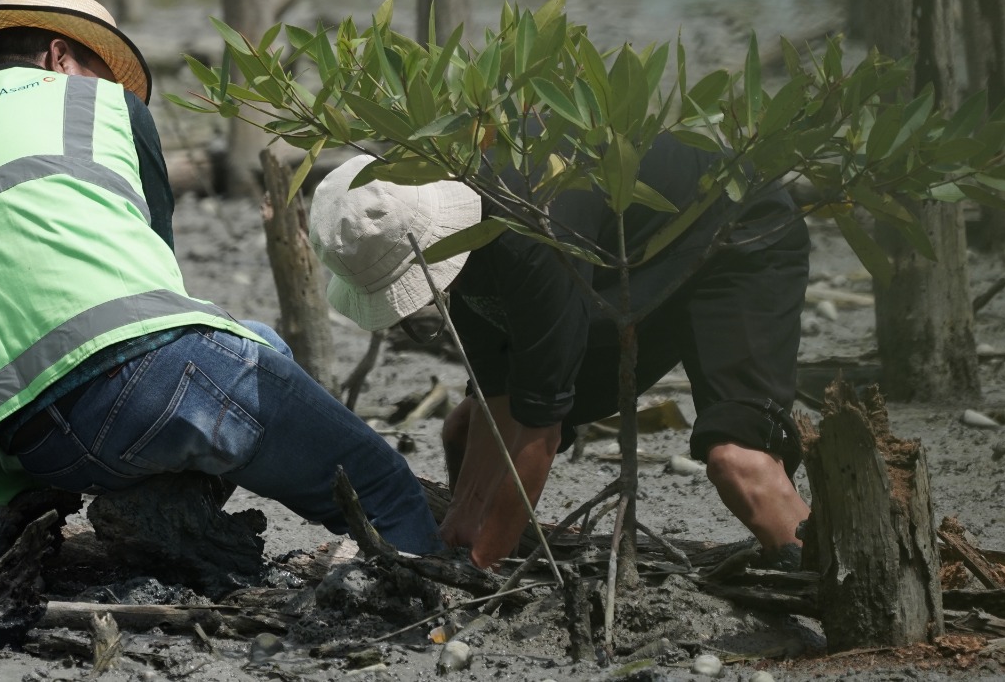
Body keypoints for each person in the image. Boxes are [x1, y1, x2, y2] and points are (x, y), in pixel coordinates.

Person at [0, 0, 442, 558]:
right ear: (59, 56)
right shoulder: (107, 106)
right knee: (385, 490)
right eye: (101, 71)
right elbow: (158, 285)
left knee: (264, 342)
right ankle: (428, 605)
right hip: (143, 386)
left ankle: (164, 530)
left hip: (32, 446)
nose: (111, 88)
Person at [308, 142, 811, 570]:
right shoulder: (467, 235)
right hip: (627, 253)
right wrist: (455, 529)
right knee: (462, 427)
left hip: (737, 230)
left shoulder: (530, 235)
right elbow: (498, 396)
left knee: (738, 464)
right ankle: (484, 535)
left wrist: (478, 571)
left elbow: (539, 429)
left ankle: (830, 586)